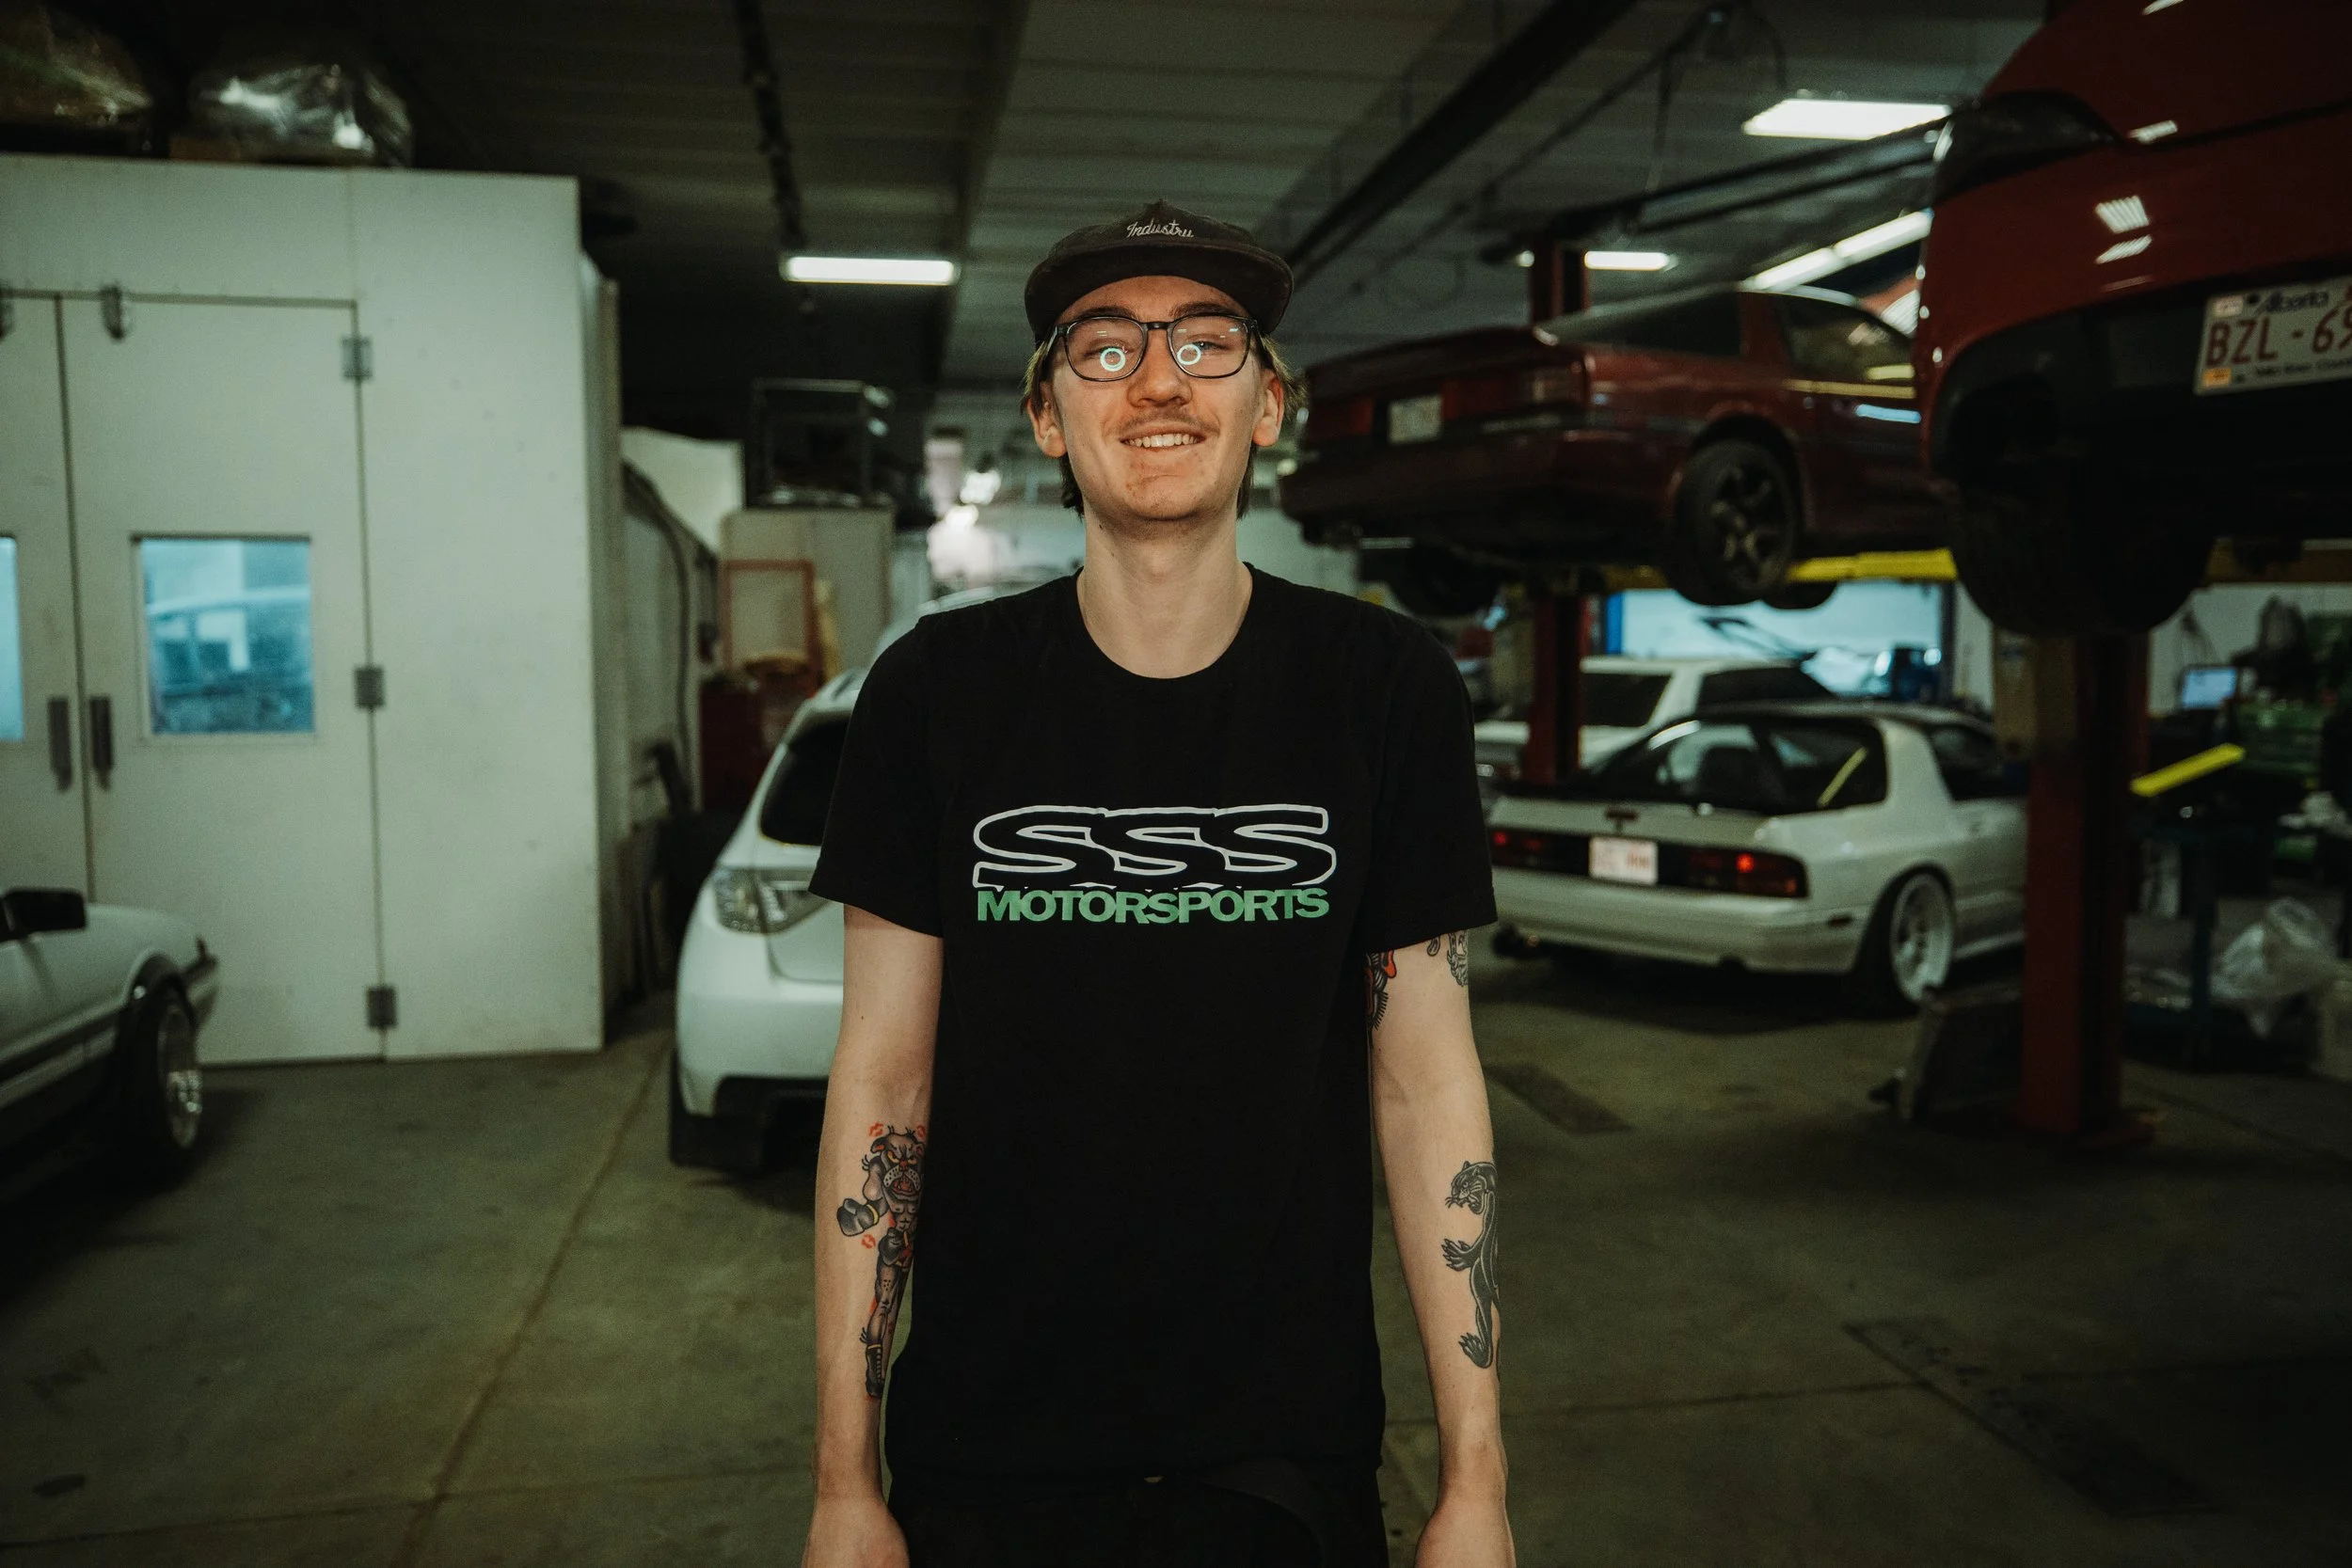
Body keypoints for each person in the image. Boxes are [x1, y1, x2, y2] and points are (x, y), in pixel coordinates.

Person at [801, 199, 1513, 1568]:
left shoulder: (1383, 690)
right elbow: (882, 1085)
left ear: (1268, 405)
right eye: (1107, 347)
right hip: (984, 1458)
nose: (1160, 377)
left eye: (1205, 339)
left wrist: (1474, 1481)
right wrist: (846, 1480)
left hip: (1282, 1459)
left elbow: (1428, 1083)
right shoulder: (936, 694)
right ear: (1050, 417)